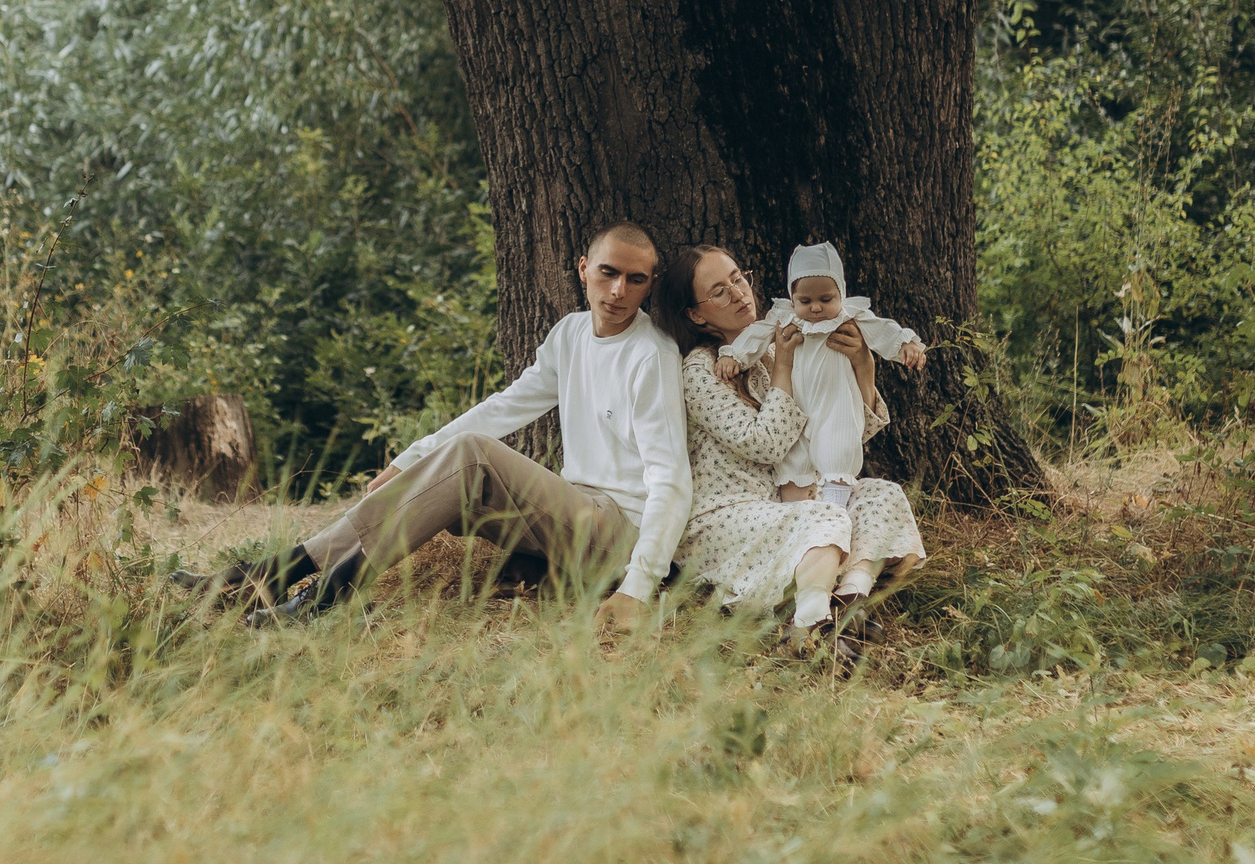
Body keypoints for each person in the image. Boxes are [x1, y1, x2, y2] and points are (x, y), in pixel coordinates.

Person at [177, 222, 691, 638]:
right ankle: (277, 576)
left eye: (636, 280)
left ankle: (322, 594)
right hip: (567, 518)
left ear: (650, 283)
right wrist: (410, 459)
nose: (619, 291)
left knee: (472, 455)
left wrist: (637, 587)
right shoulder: (571, 334)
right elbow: (504, 408)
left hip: (616, 534)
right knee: (455, 469)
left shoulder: (651, 356)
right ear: (583, 269)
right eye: (608, 273)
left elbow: (671, 480)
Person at [650, 244, 926, 650]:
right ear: (696, 315)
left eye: (738, 279)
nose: (739, 293)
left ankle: (849, 599)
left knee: (882, 495)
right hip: (728, 517)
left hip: (792, 502)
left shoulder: (787, 340)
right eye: (720, 291)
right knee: (825, 517)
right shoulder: (702, 370)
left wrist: (863, 367)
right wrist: (783, 367)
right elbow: (767, 445)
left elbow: (845, 434)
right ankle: (808, 625)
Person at [719, 240, 919, 508]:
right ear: (792, 298)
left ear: (841, 294)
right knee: (794, 458)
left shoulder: (849, 317)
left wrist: (905, 345)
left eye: (826, 299)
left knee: (838, 446)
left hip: (835, 403)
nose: (815, 308)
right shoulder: (785, 318)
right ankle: (798, 514)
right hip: (796, 407)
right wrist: (734, 355)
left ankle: (836, 508)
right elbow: (755, 335)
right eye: (805, 301)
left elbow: (883, 330)